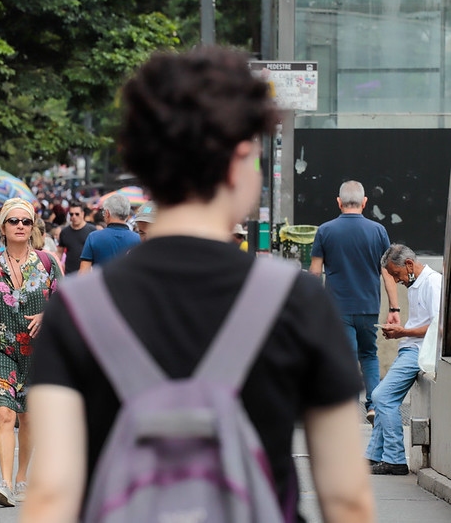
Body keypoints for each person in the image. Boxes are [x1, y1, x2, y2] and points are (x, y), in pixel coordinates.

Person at [22, 47, 373, 522]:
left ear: (141, 163)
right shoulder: (298, 301)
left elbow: (49, 496)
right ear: (241, 160)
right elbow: (347, 499)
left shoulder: (78, 309)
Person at [0, 198, 62, 508]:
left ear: (33, 228)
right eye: (14, 221)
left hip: (37, 352)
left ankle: (21, 478)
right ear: (3, 227)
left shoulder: (48, 263)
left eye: (26, 222)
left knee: (27, 417)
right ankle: (4, 482)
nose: (20, 226)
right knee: (5, 414)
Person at [309, 180, 399, 424]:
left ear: (339, 202)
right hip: (369, 307)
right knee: (369, 355)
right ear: (365, 202)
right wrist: (394, 308)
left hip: (337, 309)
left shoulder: (325, 231)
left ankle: (348, 409)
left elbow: (315, 273)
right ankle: (372, 405)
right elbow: (388, 272)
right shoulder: (378, 231)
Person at [366, 245, 442, 475]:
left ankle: (394, 459)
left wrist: (403, 332)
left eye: (396, 274)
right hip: (411, 348)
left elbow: (438, 327)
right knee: (383, 397)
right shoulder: (416, 283)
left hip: (418, 350)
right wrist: (401, 332)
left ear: (409, 264)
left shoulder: (432, 283)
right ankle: (375, 455)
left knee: (382, 396)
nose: (397, 280)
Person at [78, 194, 140, 273]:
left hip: (101, 284)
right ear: (127, 214)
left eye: (103, 212)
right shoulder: (138, 239)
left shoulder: (94, 237)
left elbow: (83, 272)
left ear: (107, 213)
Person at [56, 201, 96, 275]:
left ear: (83, 214)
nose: (74, 216)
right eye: (71, 214)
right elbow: (59, 252)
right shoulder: (65, 232)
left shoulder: (92, 231)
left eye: (77, 214)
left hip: (87, 273)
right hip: (69, 273)